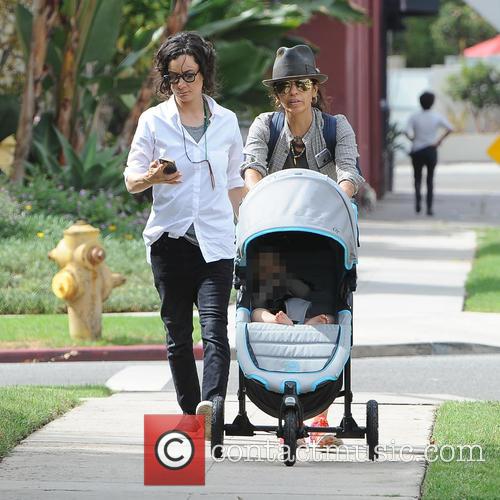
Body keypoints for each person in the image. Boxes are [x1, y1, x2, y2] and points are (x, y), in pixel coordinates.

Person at [241, 44, 364, 446]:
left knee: (326, 312)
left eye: (301, 84)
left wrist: (340, 200)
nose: (292, 92)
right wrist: (258, 205)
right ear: (276, 94)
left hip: (322, 240)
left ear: (314, 89)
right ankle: (279, 404)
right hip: (272, 238)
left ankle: (321, 414)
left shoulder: (335, 127)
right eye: (284, 87)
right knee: (261, 300)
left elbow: (349, 172)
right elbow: (253, 168)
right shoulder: (265, 125)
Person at [124, 32, 245, 439]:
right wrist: (152, 177)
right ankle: (191, 413)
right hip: (169, 242)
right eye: (173, 77)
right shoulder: (153, 120)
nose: (182, 84)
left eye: (189, 75)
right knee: (177, 334)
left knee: (215, 329)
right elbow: (131, 180)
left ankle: (212, 407)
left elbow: (233, 183)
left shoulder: (226, 122)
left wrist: (250, 228)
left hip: (215, 242)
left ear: (204, 74)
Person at [251, 248, 334, 326]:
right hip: (275, 315)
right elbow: (258, 304)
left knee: (329, 318)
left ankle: (309, 324)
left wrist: (286, 279)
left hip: (297, 311)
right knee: (256, 313)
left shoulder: (288, 279)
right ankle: (276, 320)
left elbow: (304, 292)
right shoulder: (261, 288)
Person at [405, 91, 453, 216]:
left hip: (417, 150)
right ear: (432, 102)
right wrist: (439, 141)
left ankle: (418, 204)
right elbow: (450, 128)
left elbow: (406, 131)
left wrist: (413, 140)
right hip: (431, 150)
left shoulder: (414, 116)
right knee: (430, 179)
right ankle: (429, 208)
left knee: (417, 178)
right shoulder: (436, 116)